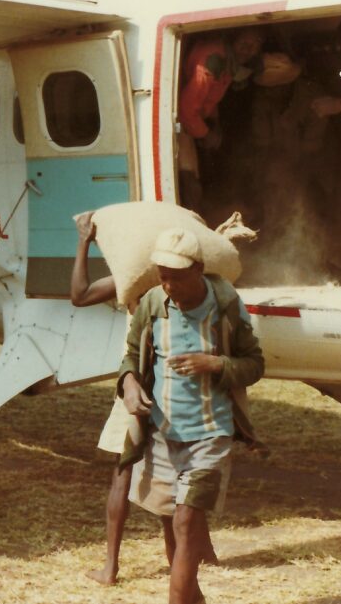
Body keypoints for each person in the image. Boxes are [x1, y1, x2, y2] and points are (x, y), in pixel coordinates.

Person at [118, 228, 264, 604]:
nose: (168, 285)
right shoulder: (153, 304)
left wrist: (214, 363)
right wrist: (130, 385)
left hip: (209, 434)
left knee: (185, 522)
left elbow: (254, 364)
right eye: (162, 276)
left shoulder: (226, 305)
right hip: (164, 435)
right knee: (172, 526)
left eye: (177, 277)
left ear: (198, 269)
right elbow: (131, 355)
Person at [71, 214, 217, 586]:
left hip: (136, 387)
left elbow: (80, 295)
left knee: (124, 476)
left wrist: (84, 241)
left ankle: (111, 567)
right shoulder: (191, 284)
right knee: (180, 480)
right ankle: (191, 559)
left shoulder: (136, 280)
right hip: (175, 390)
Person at [177, 28, 265, 210]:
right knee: (190, 185)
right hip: (181, 123)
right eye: (245, 43)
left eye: (256, 45)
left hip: (194, 121)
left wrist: (215, 125)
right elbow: (186, 111)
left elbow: (210, 97)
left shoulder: (228, 61)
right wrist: (206, 134)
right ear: (232, 38)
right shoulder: (213, 60)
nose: (249, 49)